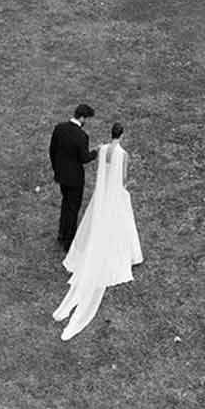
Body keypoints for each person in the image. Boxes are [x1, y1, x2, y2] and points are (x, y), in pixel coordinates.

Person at [54, 122, 142, 341]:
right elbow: (122, 179)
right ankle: (126, 255)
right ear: (122, 135)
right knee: (122, 222)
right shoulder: (123, 154)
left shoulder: (102, 149)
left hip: (102, 197)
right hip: (115, 195)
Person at [48, 104, 98, 252]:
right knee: (73, 208)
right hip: (75, 179)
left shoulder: (59, 128)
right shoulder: (81, 136)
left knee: (65, 204)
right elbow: (84, 158)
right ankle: (69, 241)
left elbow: (52, 150)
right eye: (86, 119)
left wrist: (56, 169)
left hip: (62, 176)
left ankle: (62, 234)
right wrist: (96, 152)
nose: (86, 122)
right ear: (82, 117)